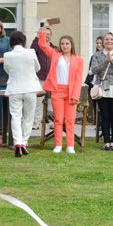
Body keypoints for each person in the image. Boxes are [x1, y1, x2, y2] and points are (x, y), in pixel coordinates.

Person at [38, 25, 84, 154]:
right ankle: (58, 145)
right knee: (58, 119)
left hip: (71, 92)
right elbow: (42, 44)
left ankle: (70, 145)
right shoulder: (55, 55)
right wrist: (43, 29)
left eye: (67, 43)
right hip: (57, 90)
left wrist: (76, 95)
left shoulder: (78, 60)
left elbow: (78, 79)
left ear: (71, 45)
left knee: (70, 120)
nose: (64, 46)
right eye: (62, 43)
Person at [3, 31, 41, 157]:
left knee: (16, 117)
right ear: (23, 41)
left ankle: (17, 143)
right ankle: (24, 143)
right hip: (30, 88)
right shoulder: (30, 52)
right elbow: (37, 68)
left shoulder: (7, 55)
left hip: (14, 89)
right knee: (28, 118)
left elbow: (7, 70)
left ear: (11, 42)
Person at [91, 32, 113, 151]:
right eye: (106, 39)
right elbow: (94, 70)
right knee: (104, 116)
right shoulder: (97, 55)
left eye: (111, 39)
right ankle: (106, 141)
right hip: (102, 88)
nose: (109, 41)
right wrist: (106, 61)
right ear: (103, 42)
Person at [31, 27, 56, 129]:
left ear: (51, 35)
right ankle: (36, 122)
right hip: (40, 77)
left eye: (48, 34)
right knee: (38, 101)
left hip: (52, 78)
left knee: (53, 101)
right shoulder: (38, 46)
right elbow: (31, 51)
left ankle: (55, 123)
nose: (46, 36)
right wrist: (37, 38)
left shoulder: (55, 48)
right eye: (44, 34)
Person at [85, 36, 104, 122]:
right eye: (97, 43)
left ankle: (102, 122)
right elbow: (90, 70)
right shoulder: (93, 56)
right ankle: (96, 122)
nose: (99, 45)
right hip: (93, 82)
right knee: (94, 103)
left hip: (103, 83)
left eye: (100, 43)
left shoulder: (106, 55)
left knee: (102, 104)